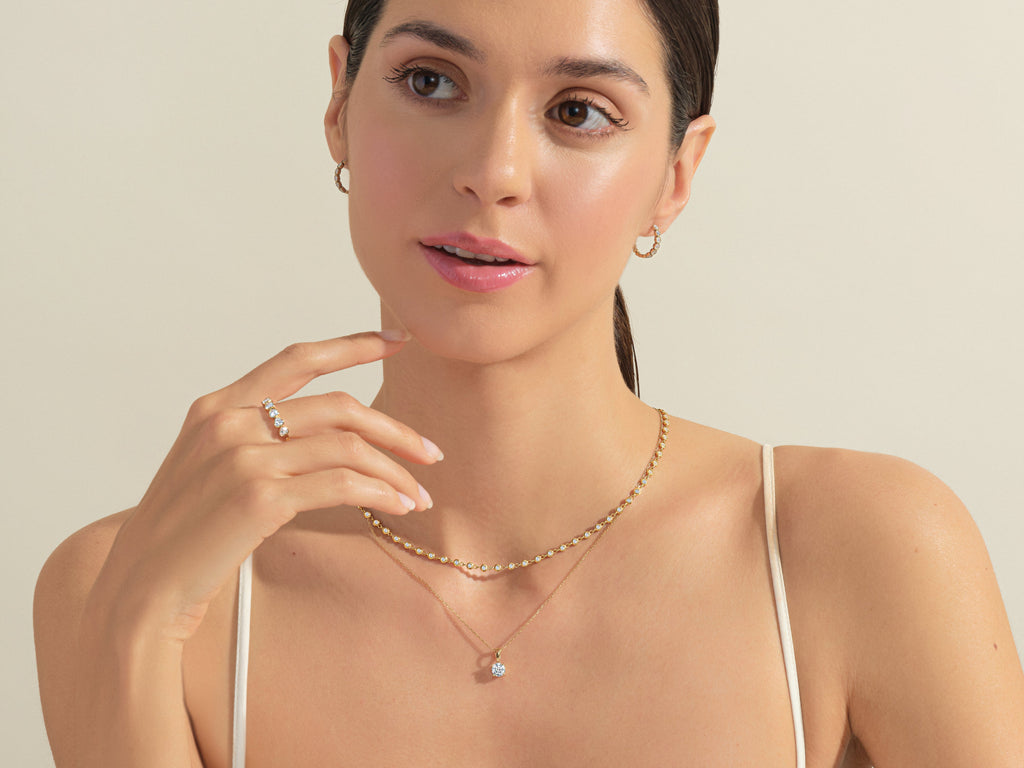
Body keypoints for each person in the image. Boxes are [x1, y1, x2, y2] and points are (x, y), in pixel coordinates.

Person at [33, 0, 1024, 765]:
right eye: (430, 81)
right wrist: (136, 628)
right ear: (339, 103)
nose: (493, 170)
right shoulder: (133, 583)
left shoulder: (859, 548)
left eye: (578, 111)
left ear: (677, 173)